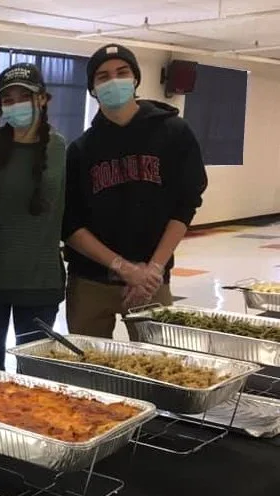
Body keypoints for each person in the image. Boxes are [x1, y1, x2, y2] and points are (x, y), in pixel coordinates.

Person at [63, 44, 207, 338]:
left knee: (157, 361)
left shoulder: (174, 133)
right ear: (92, 88)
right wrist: (123, 268)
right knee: (87, 361)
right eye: (103, 76)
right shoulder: (80, 150)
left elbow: (186, 204)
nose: (113, 81)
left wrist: (153, 269)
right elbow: (70, 223)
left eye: (122, 72)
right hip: (91, 281)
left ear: (135, 78)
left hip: (153, 280)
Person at [0, 64, 66, 370]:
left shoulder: (59, 147)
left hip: (40, 281)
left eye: (24, 97)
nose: (16, 105)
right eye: (8, 99)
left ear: (43, 99)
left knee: (35, 374)